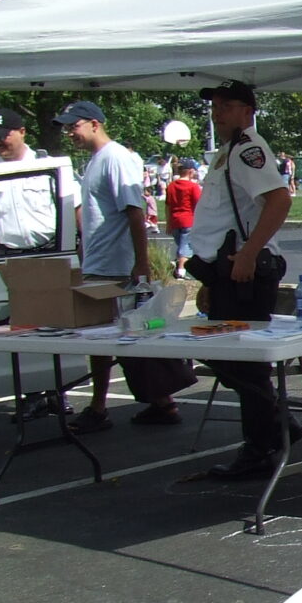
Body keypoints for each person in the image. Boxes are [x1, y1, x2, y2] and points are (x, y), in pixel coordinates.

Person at [54, 100, 188, 429]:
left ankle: (101, 408)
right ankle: (161, 403)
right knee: (116, 339)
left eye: (75, 125)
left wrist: (140, 263)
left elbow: (135, 212)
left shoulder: (115, 158)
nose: (70, 132)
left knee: (115, 338)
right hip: (101, 263)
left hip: (116, 266)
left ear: (95, 124)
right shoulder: (97, 161)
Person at [186, 80, 296, 478]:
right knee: (229, 358)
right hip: (226, 272)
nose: (219, 113)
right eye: (216, 106)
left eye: (228, 106)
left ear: (248, 111)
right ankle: (276, 427)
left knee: (242, 363)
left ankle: (262, 446)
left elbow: (279, 200)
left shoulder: (248, 149)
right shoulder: (229, 151)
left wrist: (248, 252)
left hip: (242, 273)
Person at [0, 108, 56, 255]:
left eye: (2, 136)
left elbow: (76, 208)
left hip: (53, 252)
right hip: (4, 257)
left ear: (22, 132)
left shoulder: (47, 166)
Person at [164, 161, 201, 279]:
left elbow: (167, 206)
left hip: (175, 220)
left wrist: (168, 222)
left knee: (181, 244)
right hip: (188, 220)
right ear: (190, 171)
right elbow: (198, 204)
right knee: (186, 247)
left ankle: (176, 265)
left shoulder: (171, 186)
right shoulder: (193, 187)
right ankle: (181, 270)